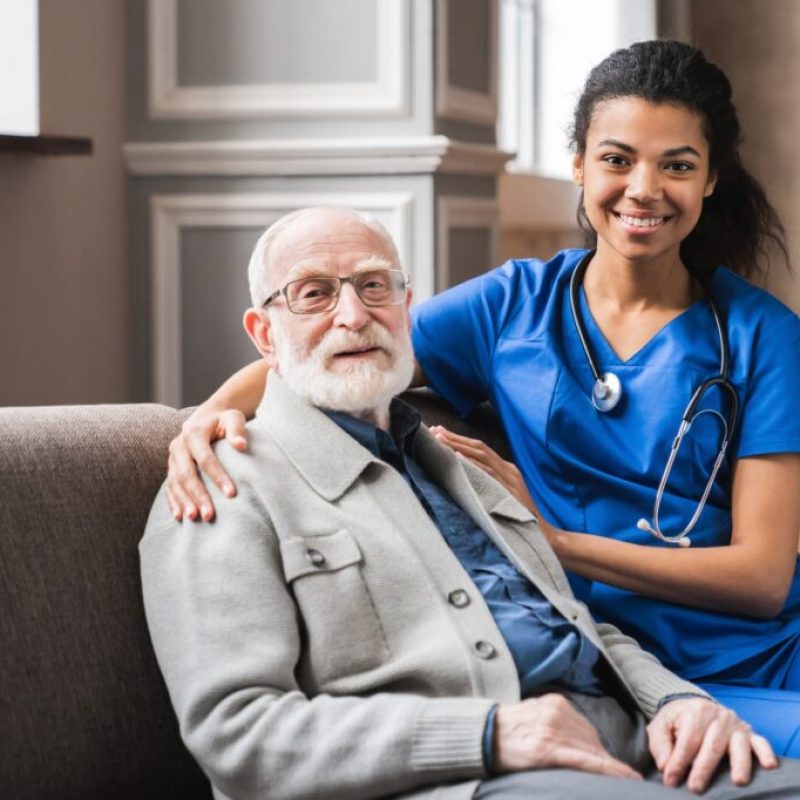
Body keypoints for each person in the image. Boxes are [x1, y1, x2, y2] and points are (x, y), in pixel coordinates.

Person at [162, 42, 800, 754]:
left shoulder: (763, 336)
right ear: (580, 166)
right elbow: (344, 345)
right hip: (612, 668)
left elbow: (762, 578)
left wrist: (555, 545)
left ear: (710, 180)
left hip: (761, 662)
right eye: (617, 159)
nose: (643, 189)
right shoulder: (510, 306)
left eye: (677, 165)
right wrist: (203, 420)